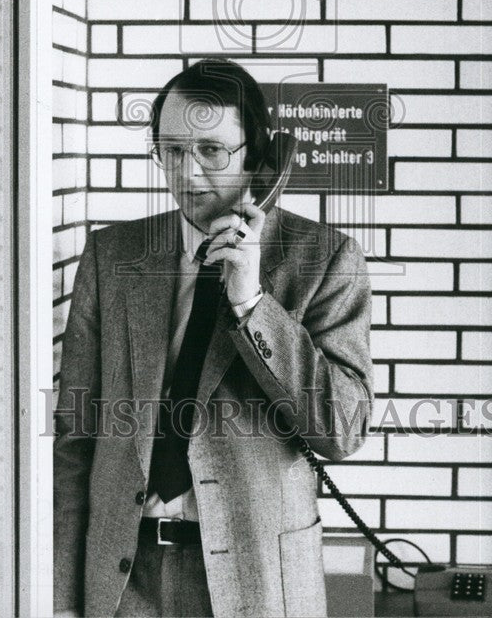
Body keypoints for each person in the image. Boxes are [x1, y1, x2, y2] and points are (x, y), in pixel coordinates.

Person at [54, 59, 373, 618]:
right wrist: (58, 598)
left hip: (255, 579)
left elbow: (342, 429)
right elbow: (75, 442)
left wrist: (253, 304)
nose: (189, 173)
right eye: (172, 151)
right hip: (123, 582)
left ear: (258, 155)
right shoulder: (112, 257)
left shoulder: (324, 260)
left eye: (210, 151)